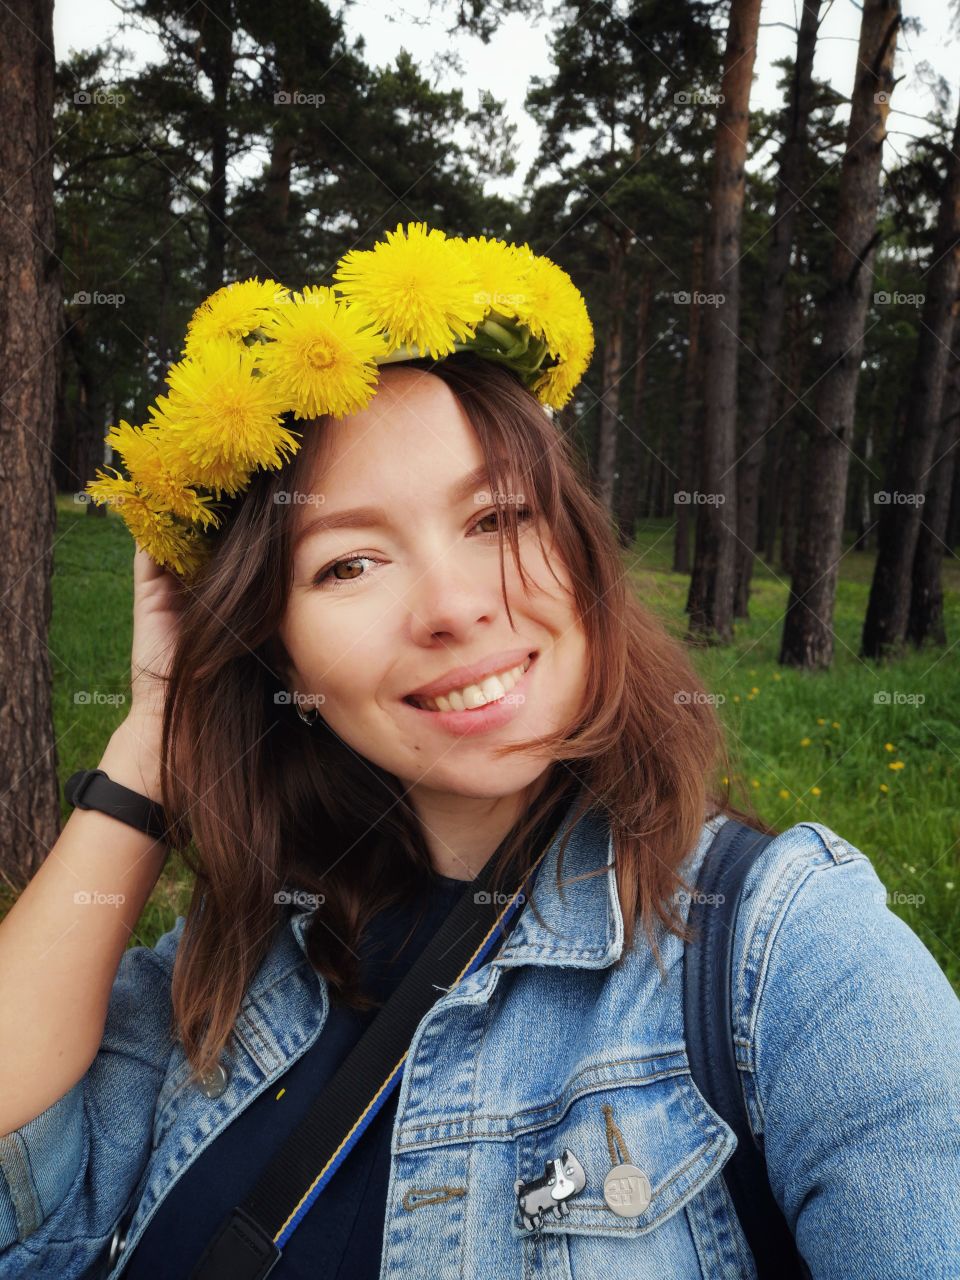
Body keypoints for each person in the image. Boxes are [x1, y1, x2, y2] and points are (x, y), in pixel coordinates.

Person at [0, 225, 958, 1280]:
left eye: (498, 516)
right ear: (272, 644)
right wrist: (154, 732)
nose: (455, 607)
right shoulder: (225, 962)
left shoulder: (791, 957)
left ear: (578, 548)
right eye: (351, 563)